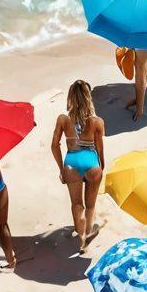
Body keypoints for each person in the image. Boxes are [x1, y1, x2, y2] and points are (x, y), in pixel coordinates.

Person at [51, 80, 105, 253]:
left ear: (71, 97)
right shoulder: (97, 121)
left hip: (72, 162)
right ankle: (87, 232)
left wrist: (61, 168)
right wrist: (101, 166)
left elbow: (54, 145)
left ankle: (80, 235)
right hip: (91, 161)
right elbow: (99, 147)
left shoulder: (63, 119)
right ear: (88, 97)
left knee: (76, 204)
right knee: (90, 204)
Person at [126, 49, 147, 123]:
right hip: (141, 39)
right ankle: (139, 101)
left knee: (141, 72)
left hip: (142, 39)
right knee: (142, 68)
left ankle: (139, 109)